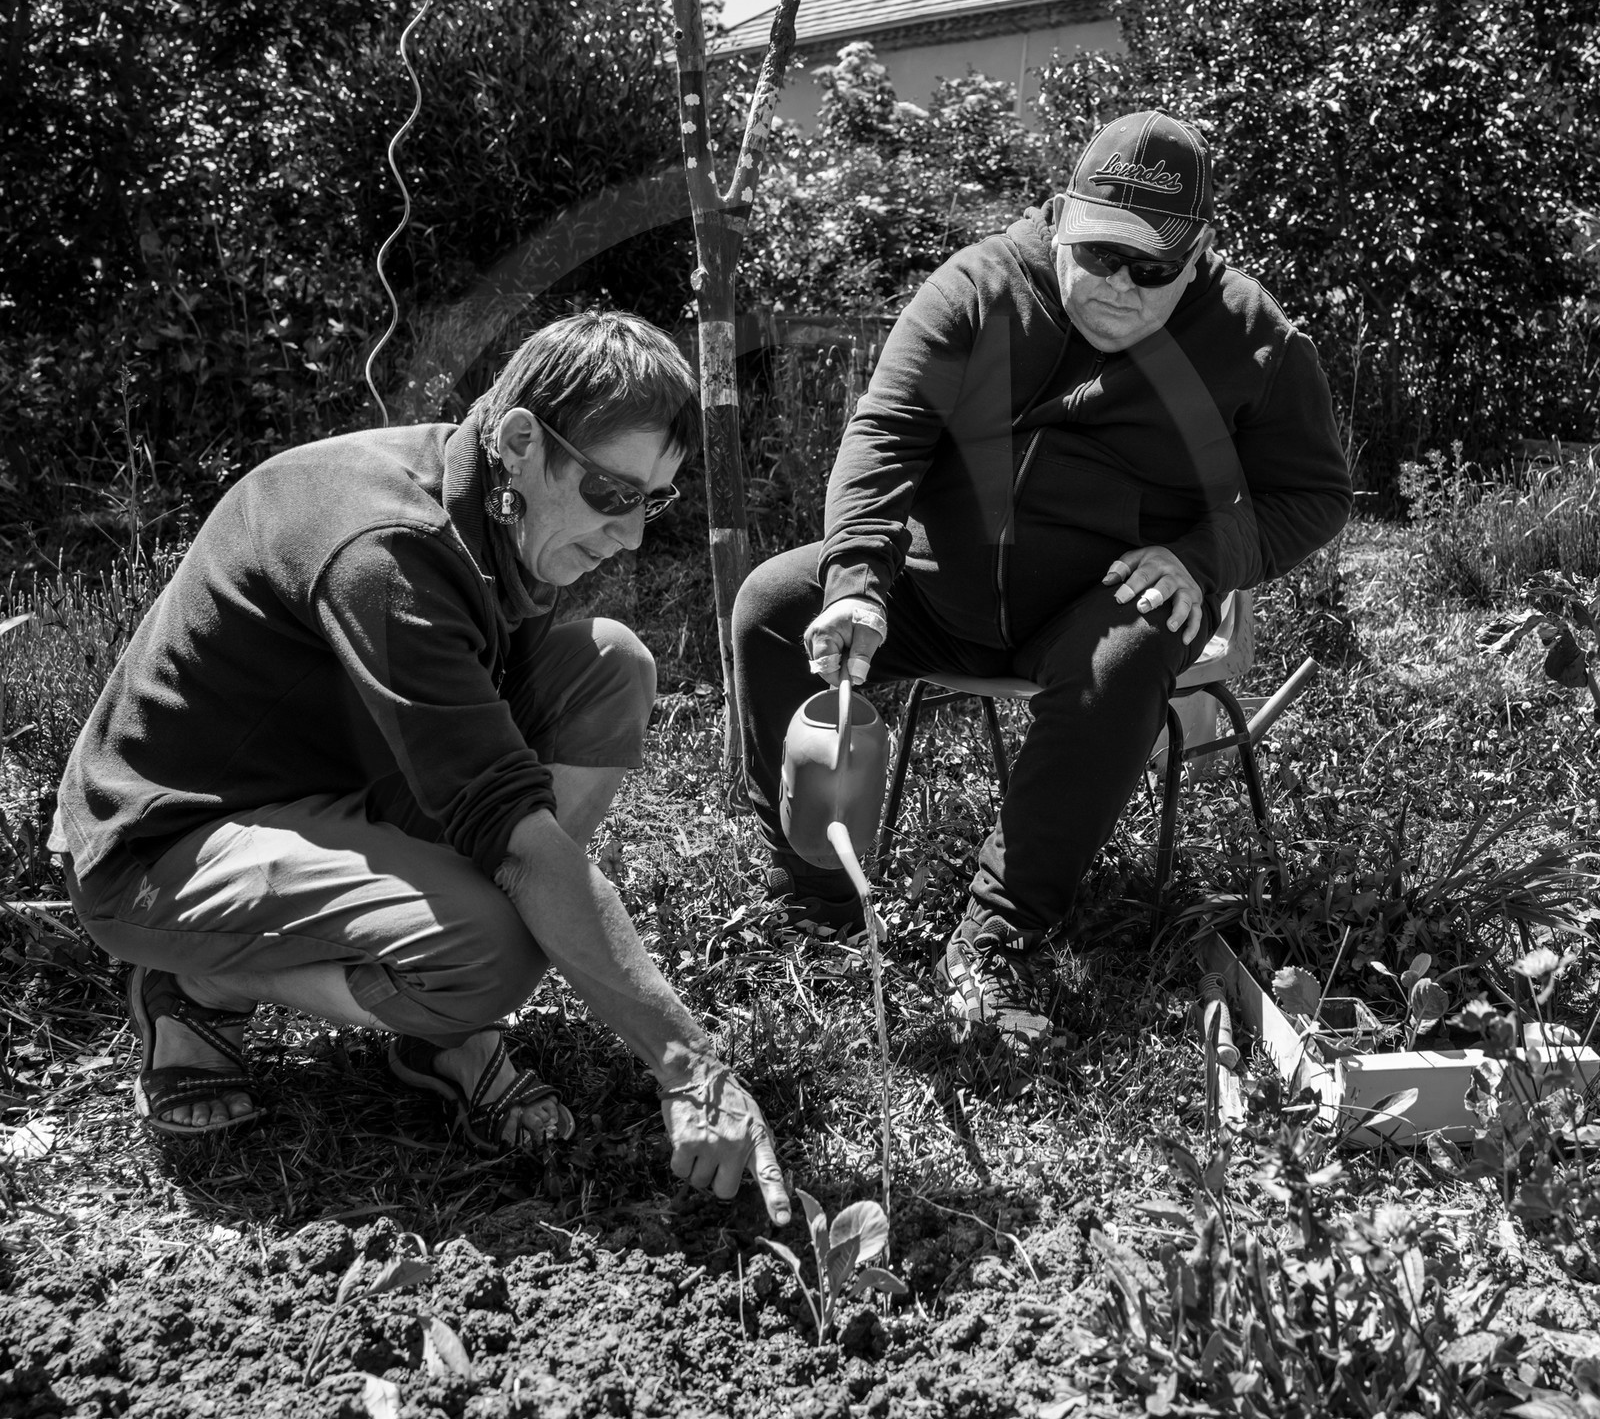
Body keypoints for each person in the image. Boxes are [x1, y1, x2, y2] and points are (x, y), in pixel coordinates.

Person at [50, 310, 790, 1228]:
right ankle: (197, 990)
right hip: (168, 844)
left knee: (610, 667)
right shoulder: (390, 550)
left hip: (328, 778)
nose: (633, 536)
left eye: (655, 501)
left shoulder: (485, 499)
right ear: (523, 442)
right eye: (611, 493)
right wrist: (688, 1062)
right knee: (493, 951)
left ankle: (426, 1019)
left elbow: (493, 763)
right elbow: (517, 837)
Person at [733, 111, 1352, 1045]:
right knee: (775, 605)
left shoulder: (1252, 338)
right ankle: (815, 894)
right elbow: (886, 438)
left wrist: (1202, 557)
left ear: (1202, 253)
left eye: (1153, 268)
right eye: (1101, 256)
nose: (1121, 288)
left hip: (1094, 599)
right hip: (940, 590)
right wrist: (858, 581)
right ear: (1061, 214)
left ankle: (997, 930)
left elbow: (1314, 493)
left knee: (1125, 655)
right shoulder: (978, 290)